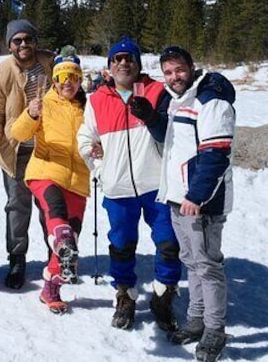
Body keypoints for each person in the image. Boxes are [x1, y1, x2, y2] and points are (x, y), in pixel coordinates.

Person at [130, 46, 235, 362]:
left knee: (207, 266)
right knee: (192, 263)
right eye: (168, 72)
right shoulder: (179, 100)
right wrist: (151, 117)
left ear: (192, 67)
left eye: (179, 70)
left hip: (200, 202)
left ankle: (215, 330)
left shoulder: (211, 101)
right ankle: (196, 321)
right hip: (178, 197)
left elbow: (216, 155)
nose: (174, 77)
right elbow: (172, 139)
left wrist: (196, 196)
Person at [77, 36, 181, 331]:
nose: (123, 63)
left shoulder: (157, 91)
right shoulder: (97, 99)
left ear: (137, 63)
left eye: (129, 58)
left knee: (169, 243)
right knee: (122, 245)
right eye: (117, 59)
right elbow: (86, 138)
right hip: (118, 187)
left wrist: (151, 118)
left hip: (157, 186)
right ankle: (125, 295)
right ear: (109, 67)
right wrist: (99, 167)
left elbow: (171, 135)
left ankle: (164, 295)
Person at [10, 47, 90, 314]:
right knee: (58, 219)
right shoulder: (43, 103)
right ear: (54, 80)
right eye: (63, 77)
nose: (68, 82)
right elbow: (19, 133)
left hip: (78, 179)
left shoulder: (88, 108)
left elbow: (100, 137)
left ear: (80, 80)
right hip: (45, 172)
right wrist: (30, 114)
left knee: (71, 238)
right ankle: (63, 241)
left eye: (73, 76)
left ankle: (51, 288)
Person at [0, 19, 54, 289]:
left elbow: (74, 89)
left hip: (49, 152)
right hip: (16, 152)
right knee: (17, 207)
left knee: (51, 207)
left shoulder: (52, 65)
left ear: (36, 41)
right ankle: (17, 259)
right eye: (17, 40)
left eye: (28, 39)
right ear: (9, 45)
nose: (23, 44)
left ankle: (56, 257)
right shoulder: (0, 74)